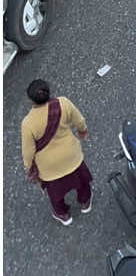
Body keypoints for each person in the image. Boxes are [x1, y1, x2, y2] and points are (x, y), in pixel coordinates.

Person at [21, 79, 91, 225]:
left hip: (49, 168)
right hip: (72, 156)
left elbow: (28, 152)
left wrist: (29, 168)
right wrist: (82, 131)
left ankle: (63, 214)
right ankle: (85, 203)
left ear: (31, 100)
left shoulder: (27, 123)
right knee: (82, 181)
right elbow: (79, 120)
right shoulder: (63, 103)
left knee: (56, 194)